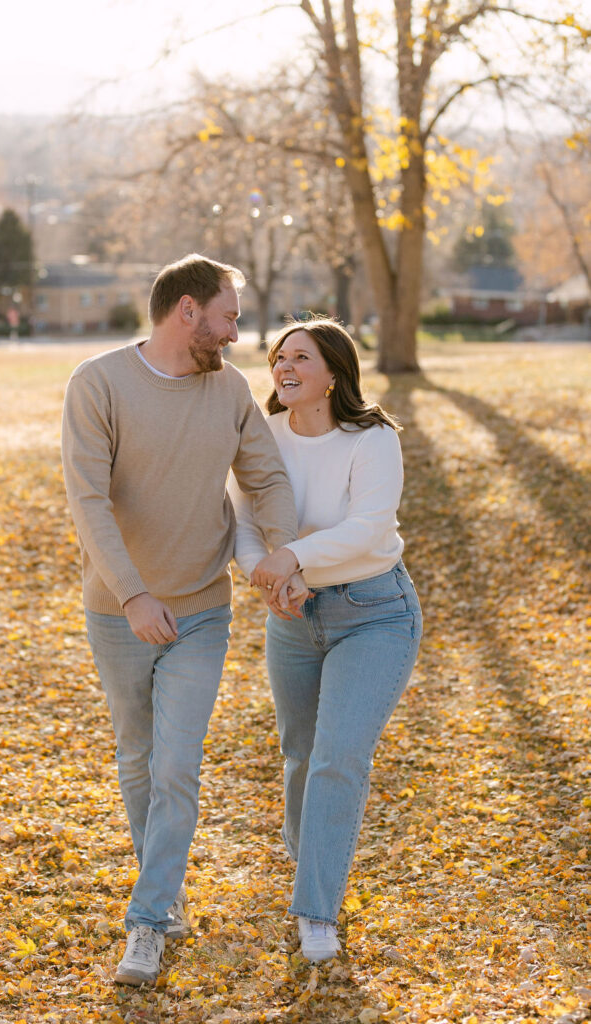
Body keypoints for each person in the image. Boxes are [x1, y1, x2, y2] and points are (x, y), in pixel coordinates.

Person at [61, 254, 298, 985]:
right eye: (227, 317)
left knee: (175, 767)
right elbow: (88, 501)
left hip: (200, 608)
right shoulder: (97, 383)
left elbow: (266, 475)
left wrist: (282, 554)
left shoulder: (227, 390)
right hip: (118, 612)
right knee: (138, 762)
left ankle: (146, 923)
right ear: (187, 311)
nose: (235, 335)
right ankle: (164, 896)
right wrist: (132, 594)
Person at [231, 317, 422, 962]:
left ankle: (317, 910)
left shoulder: (372, 439)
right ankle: (307, 860)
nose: (284, 367)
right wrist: (267, 577)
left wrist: (294, 561)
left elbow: (369, 529)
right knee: (299, 758)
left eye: (300, 358)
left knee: (337, 759)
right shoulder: (262, 436)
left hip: (374, 613)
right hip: (291, 616)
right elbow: (244, 518)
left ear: (334, 374)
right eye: (279, 357)